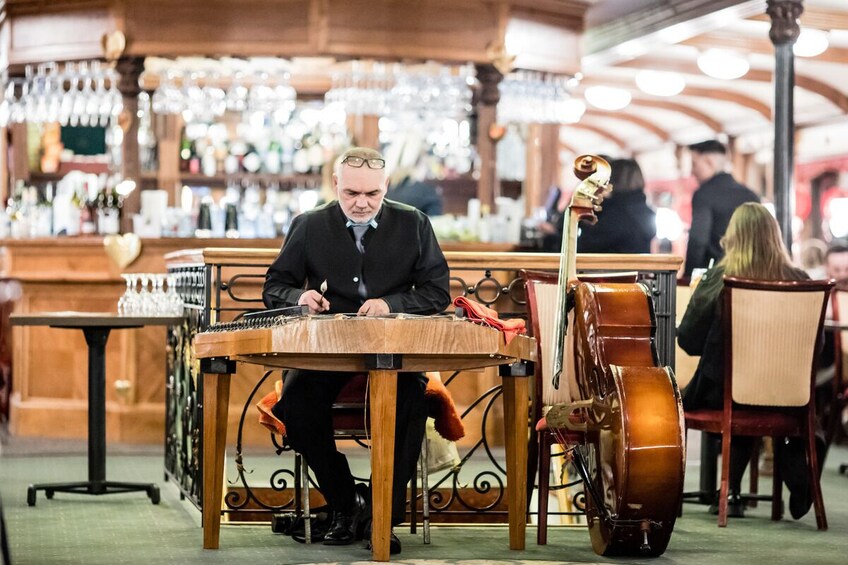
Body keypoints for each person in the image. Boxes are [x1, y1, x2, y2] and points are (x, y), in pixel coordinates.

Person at [263, 147, 451, 554]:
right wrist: (300, 296)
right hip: (325, 351)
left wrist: (393, 305)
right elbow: (274, 286)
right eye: (351, 193)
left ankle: (383, 516)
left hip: (394, 351)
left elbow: (438, 293)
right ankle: (347, 503)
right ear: (335, 186)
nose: (361, 203)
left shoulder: (414, 223)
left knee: (410, 406)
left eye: (372, 194)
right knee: (295, 406)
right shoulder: (309, 225)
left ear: (386, 188)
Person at [678, 202, 820, 520]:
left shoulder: (719, 279)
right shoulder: (800, 280)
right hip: (788, 397)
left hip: (725, 394)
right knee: (770, 402)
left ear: (732, 238)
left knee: (732, 389)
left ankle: (728, 491)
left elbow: (687, 340)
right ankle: (799, 469)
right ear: (775, 237)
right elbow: (816, 346)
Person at [684, 140, 760, 277]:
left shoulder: (704, 194)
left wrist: (687, 277)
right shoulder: (751, 195)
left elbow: (698, 241)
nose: (692, 171)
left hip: (716, 279)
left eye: (694, 164)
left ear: (709, 162)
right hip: (750, 276)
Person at [576, 158, 656, 253]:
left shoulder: (615, 215)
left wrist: (584, 223)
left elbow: (585, 248)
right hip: (641, 267)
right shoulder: (647, 213)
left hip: (609, 267)